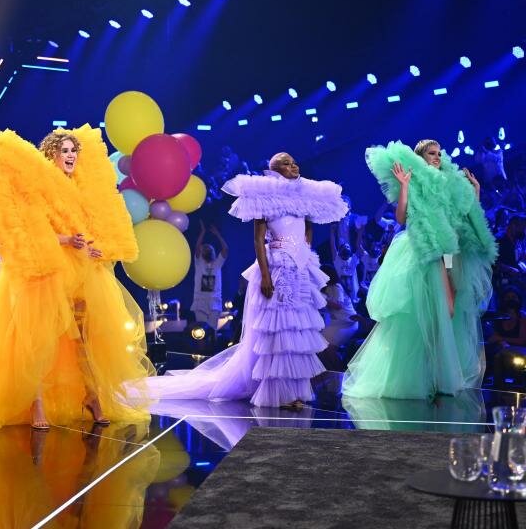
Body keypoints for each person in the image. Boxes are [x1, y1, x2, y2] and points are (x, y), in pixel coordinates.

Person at [0, 125, 153, 432]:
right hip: (45, 269)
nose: (71, 155)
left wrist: (96, 248)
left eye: (74, 150)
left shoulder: (81, 188)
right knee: (39, 338)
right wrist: (66, 240)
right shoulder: (40, 186)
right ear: (51, 155)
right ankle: (37, 403)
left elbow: (89, 228)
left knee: (84, 339)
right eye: (65, 151)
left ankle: (93, 396)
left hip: (82, 271)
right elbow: (31, 227)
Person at [142, 153, 347, 409]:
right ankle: (278, 393)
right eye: (286, 163)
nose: (293, 165)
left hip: (299, 270)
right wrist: (266, 274)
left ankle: (294, 392)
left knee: (296, 332)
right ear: (274, 170)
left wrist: (304, 252)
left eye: (295, 162)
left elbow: (307, 229)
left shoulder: (304, 197)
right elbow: (258, 240)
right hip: (277, 268)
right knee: (277, 332)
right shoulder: (263, 199)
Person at [342, 139, 497, 399]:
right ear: (420, 157)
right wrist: (404, 185)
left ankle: (438, 375)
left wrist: (476, 192)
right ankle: (427, 377)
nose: (437, 157)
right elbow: (402, 218)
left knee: (449, 312)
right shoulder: (415, 181)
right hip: (422, 253)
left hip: (449, 252)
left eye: (438, 153)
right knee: (429, 314)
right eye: (431, 154)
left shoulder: (448, 183)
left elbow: (463, 216)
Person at [191, 221, 229, 330]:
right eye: (205, 248)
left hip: (214, 302)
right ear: (202, 253)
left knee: (213, 331)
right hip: (200, 302)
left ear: (213, 252)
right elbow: (197, 247)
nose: (207, 249)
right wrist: (202, 233)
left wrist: (218, 235)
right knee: (201, 331)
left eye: (210, 248)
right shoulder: (199, 263)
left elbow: (225, 249)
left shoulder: (218, 263)